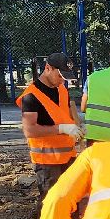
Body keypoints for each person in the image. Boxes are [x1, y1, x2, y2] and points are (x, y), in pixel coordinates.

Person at [17, 52, 84, 197]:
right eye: (60, 75)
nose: (62, 80)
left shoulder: (62, 90)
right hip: (47, 162)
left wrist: (77, 125)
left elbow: (65, 114)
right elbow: (29, 130)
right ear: (48, 68)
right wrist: (62, 128)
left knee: (70, 200)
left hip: (68, 157)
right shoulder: (31, 96)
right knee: (51, 203)